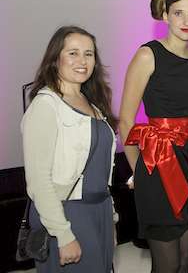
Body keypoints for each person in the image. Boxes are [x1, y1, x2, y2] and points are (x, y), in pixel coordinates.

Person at [119, 0, 188, 273]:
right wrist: (138, 171)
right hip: (158, 165)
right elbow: (126, 121)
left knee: (185, 260)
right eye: (179, 13)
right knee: (167, 265)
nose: (187, 21)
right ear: (166, 16)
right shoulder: (148, 55)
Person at [22, 26, 118, 272]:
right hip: (67, 216)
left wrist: (110, 218)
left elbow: (100, 171)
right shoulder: (46, 105)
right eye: (73, 53)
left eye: (89, 54)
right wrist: (63, 234)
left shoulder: (94, 104)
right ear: (56, 59)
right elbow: (39, 181)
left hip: (99, 211)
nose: (82, 61)